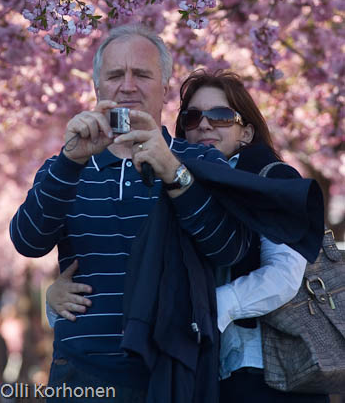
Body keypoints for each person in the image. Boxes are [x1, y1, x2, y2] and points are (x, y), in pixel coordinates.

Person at [47, 68, 328, 403]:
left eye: (222, 116)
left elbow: (283, 275)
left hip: (265, 369)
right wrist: (54, 300)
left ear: (247, 131)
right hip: (201, 370)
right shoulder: (178, 186)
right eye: (193, 117)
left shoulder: (270, 180)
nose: (205, 125)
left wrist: (215, 308)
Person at [10, 24, 257, 403]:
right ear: (98, 88)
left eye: (141, 74)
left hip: (175, 371)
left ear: (164, 86)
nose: (128, 86)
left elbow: (229, 248)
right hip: (82, 373)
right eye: (115, 75)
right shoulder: (67, 165)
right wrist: (70, 162)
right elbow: (27, 241)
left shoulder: (201, 160)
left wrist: (173, 172)